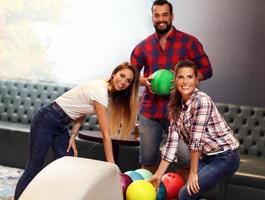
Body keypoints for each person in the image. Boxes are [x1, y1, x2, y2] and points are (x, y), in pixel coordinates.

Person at [14, 62, 140, 199]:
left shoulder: (104, 89)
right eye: (121, 76)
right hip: (46, 119)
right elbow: (105, 134)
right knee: (33, 167)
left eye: (128, 81)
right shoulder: (100, 91)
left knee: (70, 165)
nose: (123, 82)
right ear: (114, 73)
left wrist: (73, 134)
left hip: (60, 125)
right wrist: (113, 167)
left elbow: (82, 108)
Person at [130, 0, 213, 173]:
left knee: (185, 158)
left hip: (181, 111)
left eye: (165, 15)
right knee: (148, 158)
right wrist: (146, 81)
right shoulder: (143, 46)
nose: (161, 19)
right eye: (157, 15)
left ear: (172, 16)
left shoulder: (189, 42)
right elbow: (131, 75)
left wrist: (185, 81)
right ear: (152, 17)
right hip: (150, 111)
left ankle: (182, 196)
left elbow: (207, 69)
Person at [149, 60, 240, 200]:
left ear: (197, 80)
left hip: (226, 156)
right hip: (208, 157)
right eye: (181, 77)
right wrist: (158, 174)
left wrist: (193, 173)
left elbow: (195, 141)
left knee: (185, 194)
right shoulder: (175, 105)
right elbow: (172, 143)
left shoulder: (202, 101)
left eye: (190, 77)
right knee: (190, 193)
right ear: (175, 80)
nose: (185, 81)